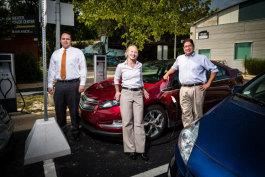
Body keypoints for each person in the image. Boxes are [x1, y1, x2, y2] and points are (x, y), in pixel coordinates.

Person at [163, 39, 218, 128]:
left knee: (197, 114)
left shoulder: (201, 58)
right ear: (183, 48)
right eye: (186, 46)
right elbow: (174, 68)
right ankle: (188, 135)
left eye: (189, 46)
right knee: (186, 114)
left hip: (197, 88)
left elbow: (214, 69)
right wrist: (167, 74)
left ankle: (196, 135)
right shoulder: (180, 58)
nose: (188, 48)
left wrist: (208, 84)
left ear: (193, 47)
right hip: (184, 89)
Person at [48, 32, 87, 141]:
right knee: (59, 111)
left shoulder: (78, 52)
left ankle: (75, 132)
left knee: (74, 110)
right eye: (63, 39)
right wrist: (50, 84)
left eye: (68, 39)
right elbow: (51, 70)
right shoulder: (55, 54)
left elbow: (83, 69)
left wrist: (82, 83)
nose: (65, 40)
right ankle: (62, 133)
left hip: (74, 85)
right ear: (60, 40)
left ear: (71, 40)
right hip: (59, 85)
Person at [114, 45, 149, 161]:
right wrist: (118, 92)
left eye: (136, 52)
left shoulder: (139, 65)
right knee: (127, 122)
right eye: (131, 52)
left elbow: (140, 79)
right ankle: (131, 149)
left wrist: (143, 90)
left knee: (139, 122)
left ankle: (141, 150)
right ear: (127, 53)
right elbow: (116, 79)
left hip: (138, 94)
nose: (133, 54)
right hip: (126, 94)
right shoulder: (121, 66)